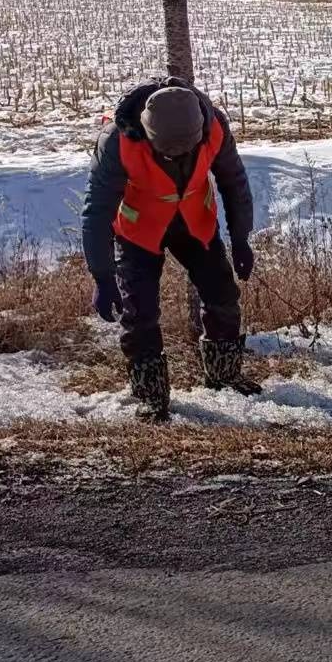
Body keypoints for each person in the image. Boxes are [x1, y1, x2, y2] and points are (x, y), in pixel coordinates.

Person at [82, 78, 260, 422]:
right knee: (140, 313)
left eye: (186, 150)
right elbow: (97, 210)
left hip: (195, 223)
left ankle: (224, 377)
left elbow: (233, 181)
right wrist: (102, 276)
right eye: (167, 152)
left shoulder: (215, 126)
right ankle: (150, 395)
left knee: (223, 295)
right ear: (148, 133)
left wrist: (241, 238)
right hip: (139, 230)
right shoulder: (117, 141)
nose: (178, 157)